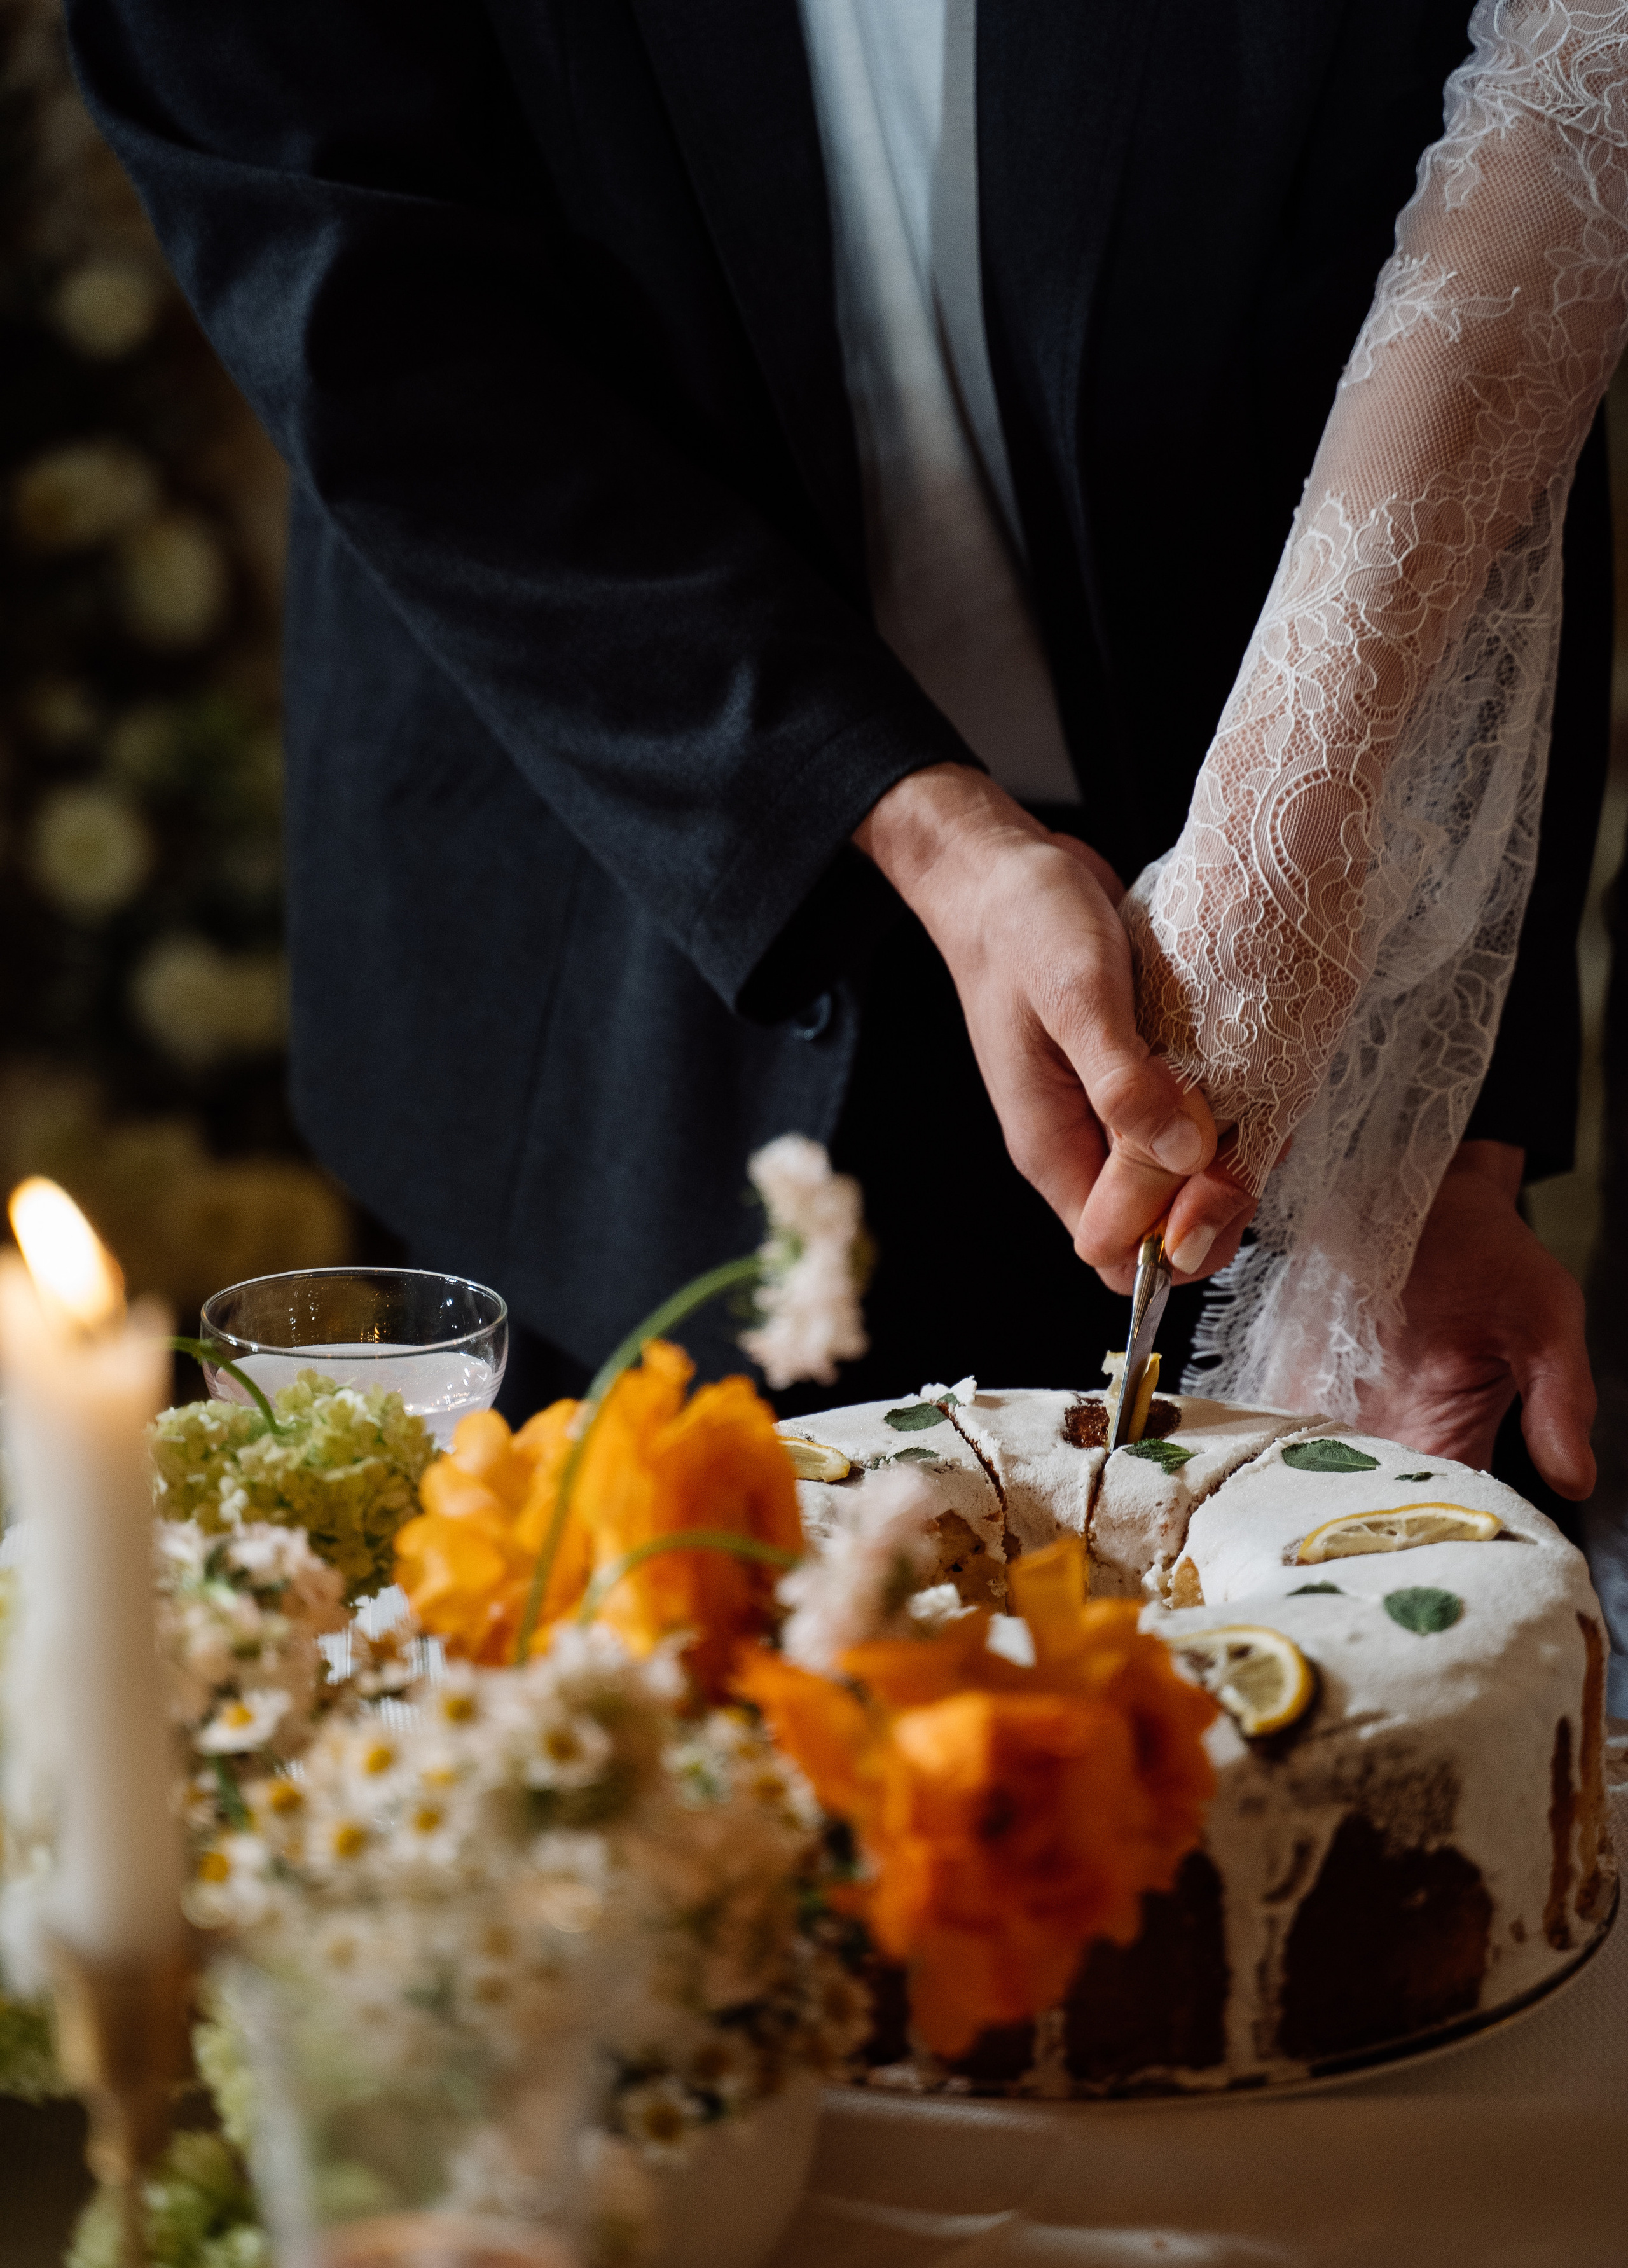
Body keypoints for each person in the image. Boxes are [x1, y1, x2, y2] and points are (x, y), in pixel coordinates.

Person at [65, 0, 1613, 1494]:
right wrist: (908, 818)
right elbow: (357, 285)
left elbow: (1510, 300)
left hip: (1262, 968)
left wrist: (1448, 1124)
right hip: (610, 927)